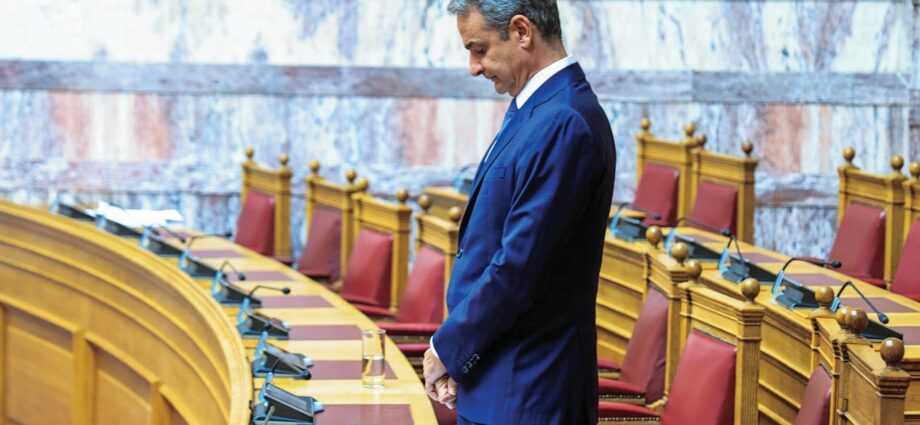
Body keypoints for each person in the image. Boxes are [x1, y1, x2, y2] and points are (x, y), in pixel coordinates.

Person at [422, 1, 617, 424]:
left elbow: (519, 267)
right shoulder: (537, 110)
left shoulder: (564, 120)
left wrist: (448, 349)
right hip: (501, 383)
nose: (474, 67)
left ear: (522, 31)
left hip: (530, 392)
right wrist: (461, 357)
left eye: (479, 49)